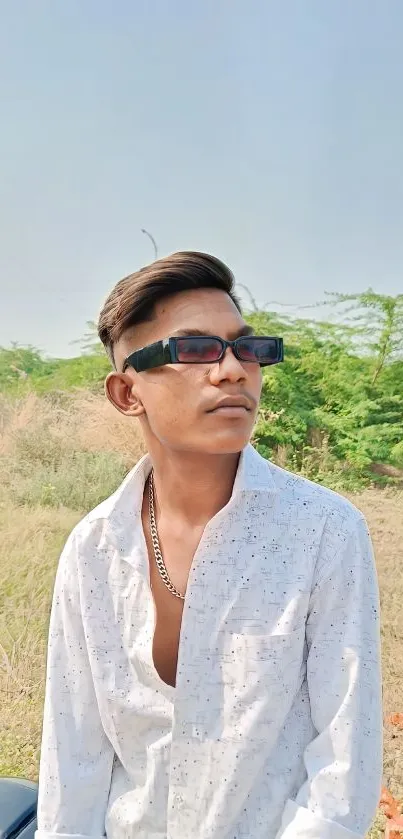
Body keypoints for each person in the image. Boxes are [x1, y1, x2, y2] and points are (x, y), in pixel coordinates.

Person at [36, 252, 382, 839]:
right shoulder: (95, 549)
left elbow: (342, 769)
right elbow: (74, 758)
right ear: (126, 392)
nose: (232, 370)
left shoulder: (323, 532)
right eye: (193, 350)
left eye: (247, 348)